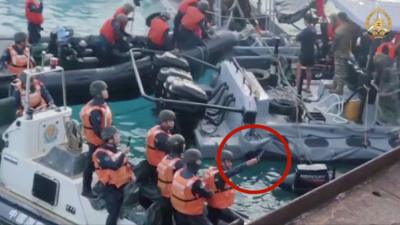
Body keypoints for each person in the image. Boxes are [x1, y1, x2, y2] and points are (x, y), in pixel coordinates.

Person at [92, 126, 135, 225]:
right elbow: (114, 165)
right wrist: (123, 153)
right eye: (117, 136)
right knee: (114, 212)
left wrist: (132, 175)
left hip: (123, 184)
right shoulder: (100, 154)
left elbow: (125, 165)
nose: (119, 137)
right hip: (111, 188)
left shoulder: (115, 150)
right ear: (110, 139)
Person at [203, 150, 259, 225]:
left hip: (211, 207)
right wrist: (247, 164)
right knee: (240, 221)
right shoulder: (220, 176)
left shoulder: (211, 171)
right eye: (228, 162)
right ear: (222, 162)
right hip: (218, 209)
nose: (231, 164)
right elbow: (234, 171)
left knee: (215, 221)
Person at [80, 80, 112, 198]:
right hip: (97, 143)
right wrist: (110, 140)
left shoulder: (99, 105)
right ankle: (86, 190)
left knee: (94, 165)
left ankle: (101, 185)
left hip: (101, 141)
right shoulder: (95, 112)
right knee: (90, 166)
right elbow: (98, 131)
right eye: (104, 90)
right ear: (99, 93)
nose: (107, 92)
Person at [171, 148, 213, 225]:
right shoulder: (195, 182)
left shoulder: (177, 173)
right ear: (196, 163)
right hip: (193, 214)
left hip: (179, 211)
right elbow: (208, 194)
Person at [156, 134, 186, 225]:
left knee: (166, 219)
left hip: (163, 194)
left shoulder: (165, 158)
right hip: (173, 197)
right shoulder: (179, 163)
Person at [326, 12, 354, 95]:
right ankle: (334, 84)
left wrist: (330, 52)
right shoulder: (350, 27)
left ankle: (339, 88)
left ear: (340, 18)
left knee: (340, 71)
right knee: (338, 70)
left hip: (340, 52)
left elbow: (335, 43)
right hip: (346, 51)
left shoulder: (340, 29)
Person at [145, 110, 176, 175]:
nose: (173, 123)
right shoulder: (161, 137)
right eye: (171, 121)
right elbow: (173, 150)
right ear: (164, 122)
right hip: (158, 166)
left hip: (151, 162)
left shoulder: (156, 129)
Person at [295, 14, 317, 93]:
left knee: (299, 68)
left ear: (306, 20)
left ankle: (298, 86)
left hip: (304, 52)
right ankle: (308, 87)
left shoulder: (306, 30)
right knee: (309, 70)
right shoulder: (314, 29)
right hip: (312, 52)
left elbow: (297, 38)